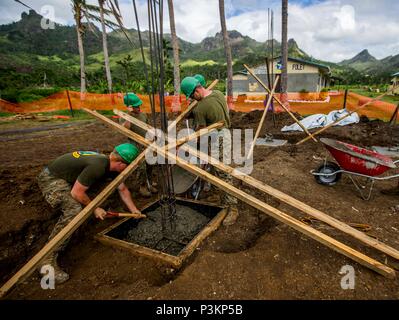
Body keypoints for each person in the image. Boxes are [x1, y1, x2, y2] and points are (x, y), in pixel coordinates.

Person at [37, 143, 142, 284]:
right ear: (121, 164)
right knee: (74, 210)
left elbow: (122, 189)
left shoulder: (109, 164)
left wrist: (134, 210)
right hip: (52, 178)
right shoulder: (98, 166)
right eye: (128, 167)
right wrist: (95, 208)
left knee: (100, 191)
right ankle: (46, 259)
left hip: (68, 177)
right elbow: (76, 193)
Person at [180, 76, 239, 226]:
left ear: (196, 90)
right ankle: (223, 198)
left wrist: (190, 144)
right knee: (221, 169)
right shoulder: (218, 93)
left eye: (192, 95)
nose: (193, 98)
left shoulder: (200, 108)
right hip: (225, 133)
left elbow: (200, 134)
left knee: (222, 172)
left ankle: (232, 207)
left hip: (216, 139)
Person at [122, 93, 158, 197]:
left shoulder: (143, 115)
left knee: (150, 163)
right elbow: (125, 129)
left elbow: (148, 127)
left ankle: (149, 182)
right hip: (135, 145)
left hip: (147, 143)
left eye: (139, 105)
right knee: (141, 167)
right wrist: (128, 116)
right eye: (136, 106)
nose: (138, 108)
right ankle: (142, 186)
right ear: (130, 107)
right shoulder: (124, 116)